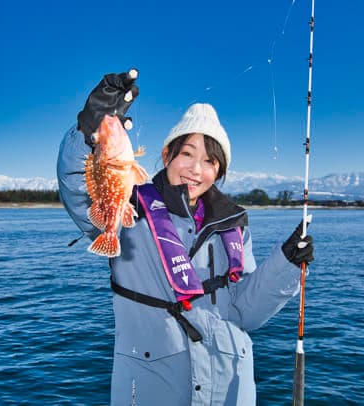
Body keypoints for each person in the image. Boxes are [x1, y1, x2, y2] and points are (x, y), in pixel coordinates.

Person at [57, 70, 314, 406]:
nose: (196, 169)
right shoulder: (134, 209)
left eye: (210, 161)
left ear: (219, 172)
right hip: (153, 388)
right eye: (187, 154)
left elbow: (246, 312)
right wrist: (89, 130)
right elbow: (80, 188)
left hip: (230, 392)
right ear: (167, 156)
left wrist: (287, 264)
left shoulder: (233, 225)